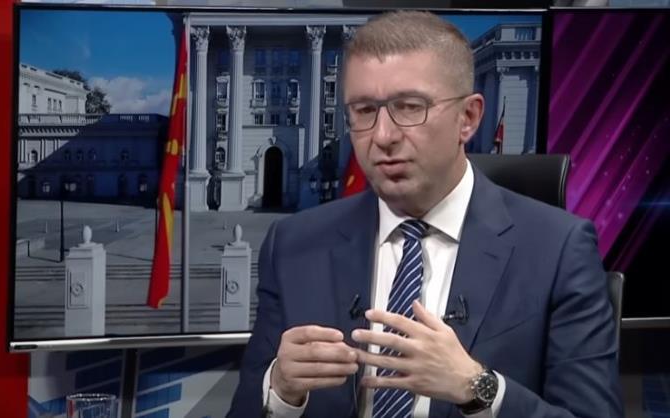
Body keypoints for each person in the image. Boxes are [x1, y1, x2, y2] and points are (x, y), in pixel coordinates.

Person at [228, 10, 622, 418]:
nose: (383, 136)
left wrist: (478, 387)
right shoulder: (292, 245)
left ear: (468, 118)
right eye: (364, 111)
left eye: (410, 107)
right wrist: (280, 390)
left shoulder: (558, 249)